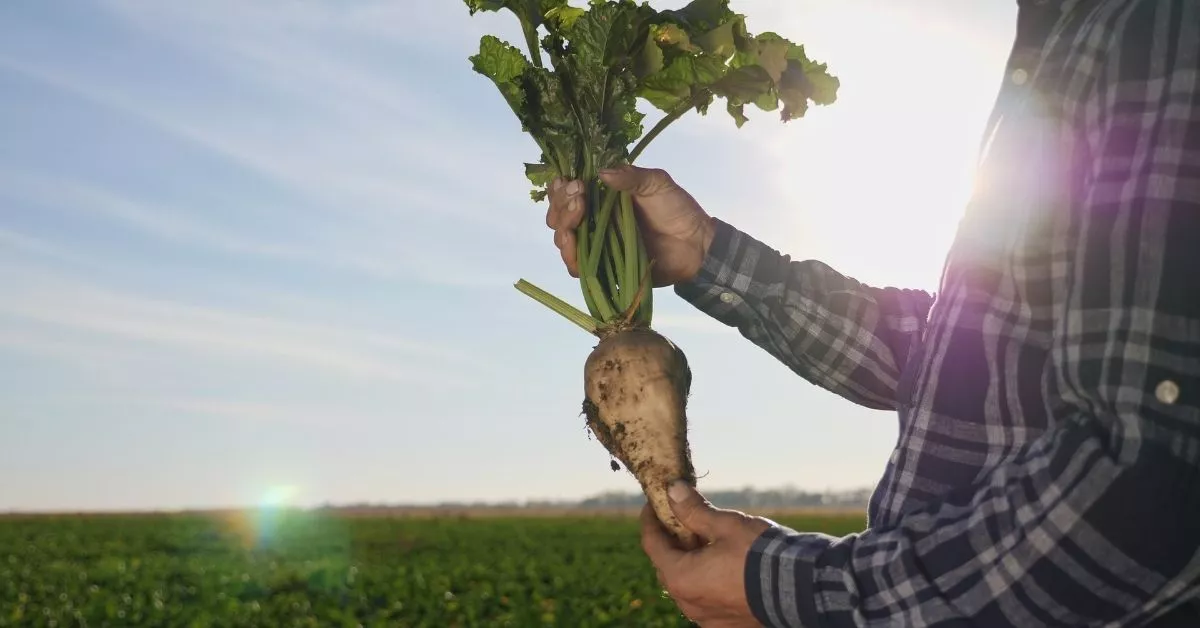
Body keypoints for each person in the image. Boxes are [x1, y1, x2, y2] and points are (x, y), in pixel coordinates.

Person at [545, 0, 1199, 626]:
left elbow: (1143, 485)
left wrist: (801, 594)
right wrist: (703, 254)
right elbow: (972, 354)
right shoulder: (1063, 37)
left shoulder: (1159, 29)